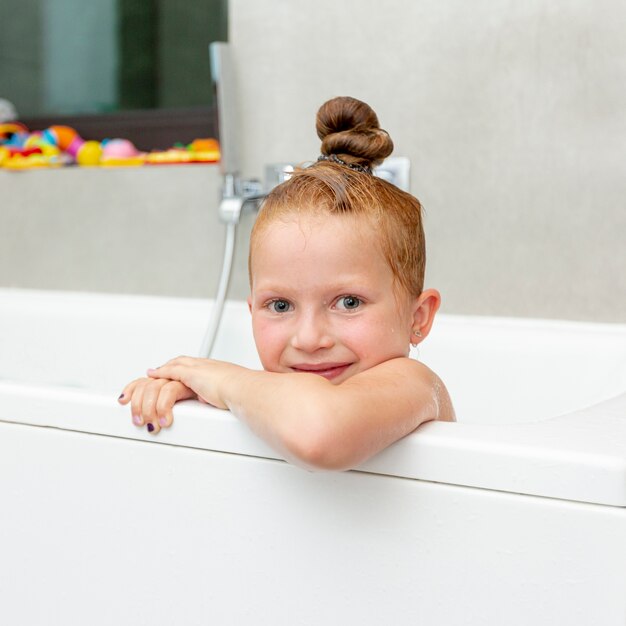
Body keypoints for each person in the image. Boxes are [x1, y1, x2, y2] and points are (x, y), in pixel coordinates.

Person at [118, 96, 455, 470]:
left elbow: (318, 432)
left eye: (348, 303)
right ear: (251, 310)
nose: (309, 340)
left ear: (418, 317)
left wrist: (224, 381)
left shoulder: (414, 384)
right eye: (280, 306)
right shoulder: (275, 393)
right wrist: (193, 393)